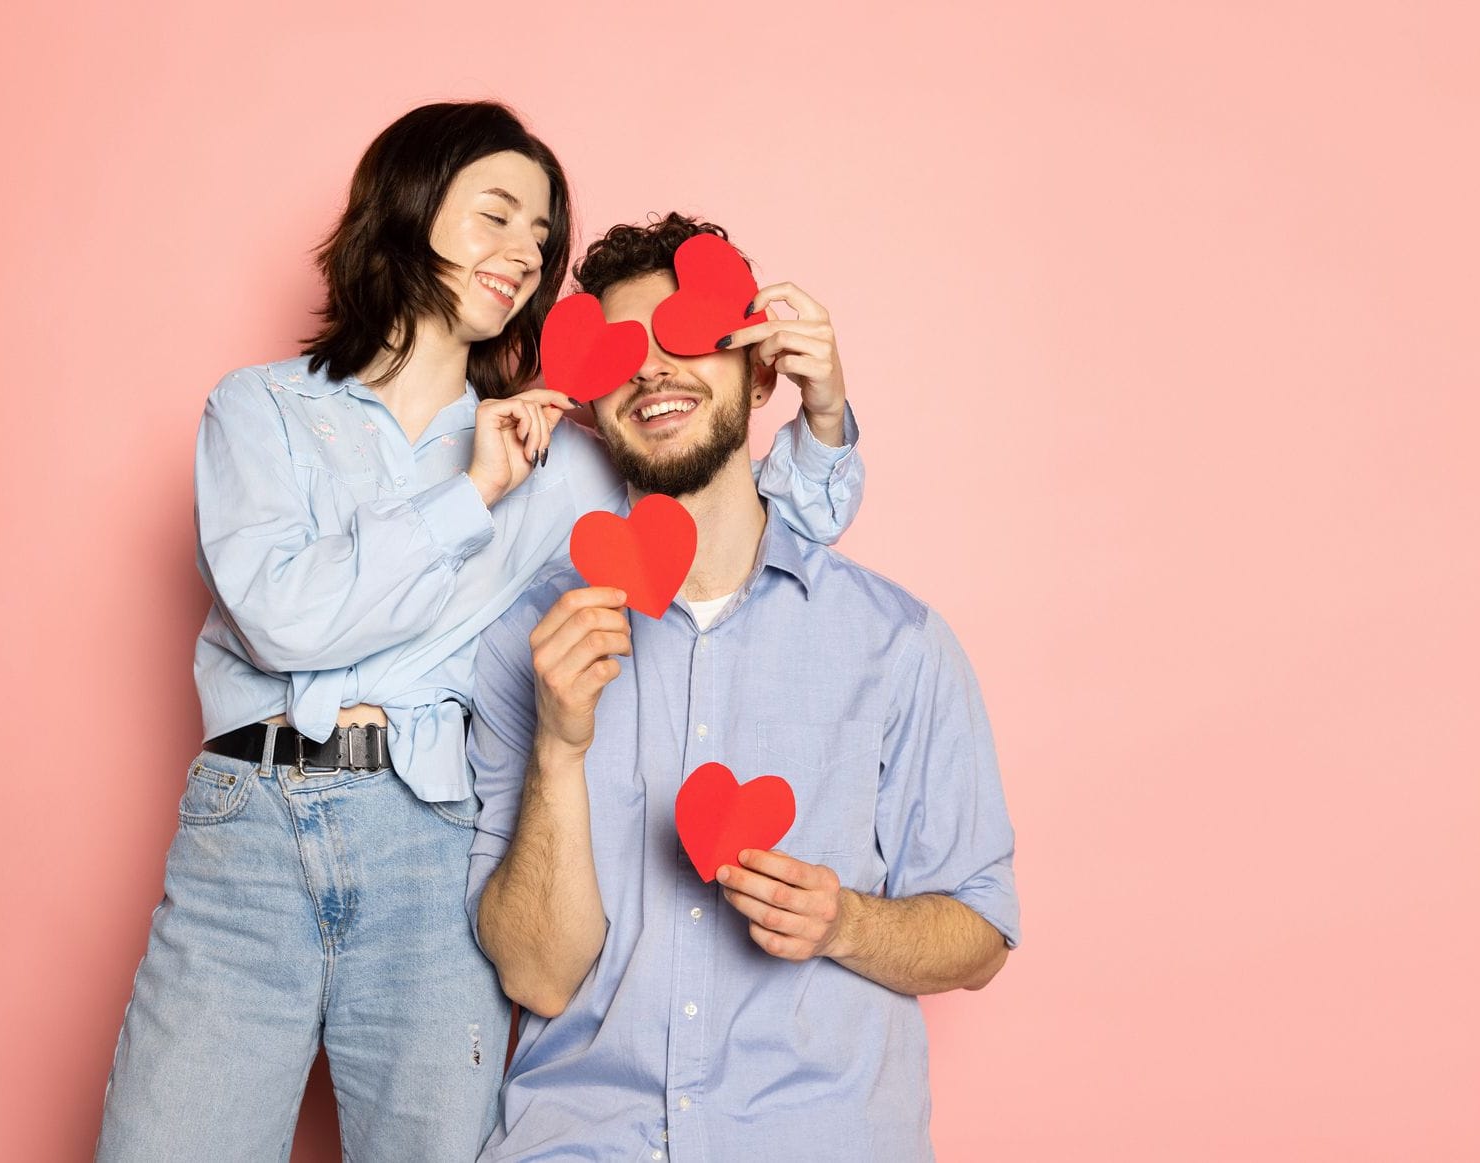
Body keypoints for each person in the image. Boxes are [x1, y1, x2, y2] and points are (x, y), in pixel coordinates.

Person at [96, 107, 862, 1161]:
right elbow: (279, 616)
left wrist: (821, 413)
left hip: (429, 835)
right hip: (250, 827)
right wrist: (467, 497)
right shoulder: (260, 411)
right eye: (495, 215)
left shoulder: (553, 451)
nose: (522, 254)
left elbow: (738, 534)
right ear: (405, 208)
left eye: (540, 237)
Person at [466, 214, 1018, 1160]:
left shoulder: (898, 644)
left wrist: (844, 921)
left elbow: (980, 933)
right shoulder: (526, 641)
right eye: (622, 354)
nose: (654, 371)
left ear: (762, 371)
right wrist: (560, 746)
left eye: (689, 340)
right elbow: (539, 978)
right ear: (590, 404)